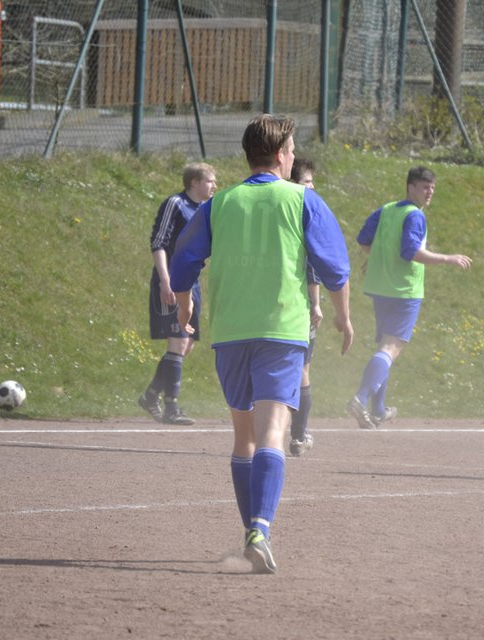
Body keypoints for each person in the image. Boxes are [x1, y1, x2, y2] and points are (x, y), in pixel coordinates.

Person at [169, 114, 353, 574]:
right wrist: (344, 317)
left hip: (231, 332)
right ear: (281, 156)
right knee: (274, 432)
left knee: (243, 438)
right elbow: (335, 268)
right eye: (291, 149)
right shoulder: (301, 199)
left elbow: (183, 262)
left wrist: (185, 308)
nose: (293, 156)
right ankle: (259, 532)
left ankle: (252, 532)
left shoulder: (220, 202)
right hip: (281, 331)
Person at [347, 166, 472, 429]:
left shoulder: (387, 209)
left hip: (381, 288)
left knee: (385, 346)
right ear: (411, 187)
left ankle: (378, 409)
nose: (430, 192)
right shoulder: (415, 216)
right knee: (391, 348)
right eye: (425, 187)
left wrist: (377, 259)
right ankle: (361, 398)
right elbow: (411, 252)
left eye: (432, 188)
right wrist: (448, 258)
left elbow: (363, 239)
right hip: (404, 291)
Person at [138, 162, 217, 425]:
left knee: (188, 344)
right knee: (179, 341)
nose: (214, 186)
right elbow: (159, 242)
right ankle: (171, 406)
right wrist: (164, 280)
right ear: (193, 182)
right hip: (171, 280)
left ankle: (150, 396)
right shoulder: (175, 203)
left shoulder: (207, 209)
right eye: (209, 181)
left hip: (192, 283)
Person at [288, 157, 320, 457]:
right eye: (306, 181)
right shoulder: (303, 214)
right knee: (301, 369)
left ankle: (285, 433)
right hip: (296, 304)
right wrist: (317, 304)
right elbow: (313, 264)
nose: (312, 187)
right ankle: (298, 436)